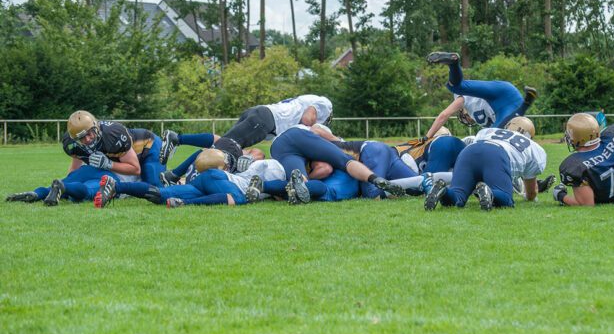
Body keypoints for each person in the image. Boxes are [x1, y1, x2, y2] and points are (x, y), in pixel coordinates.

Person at [6, 110, 162, 205]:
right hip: (109, 172)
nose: (87, 139)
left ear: (96, 127)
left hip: (147, 147)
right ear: (74, 139)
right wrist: (70, 180)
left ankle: (44, 192)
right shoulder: (73, 144)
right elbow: (75, 169)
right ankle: (39, 193)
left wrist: (108, 164)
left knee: (154, 187)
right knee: (86, 189)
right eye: (82, 138)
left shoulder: (113, 135)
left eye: (89, 134)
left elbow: (135, 169)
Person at [159, 94, 333, 165]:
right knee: (224, 148)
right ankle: (175, 159)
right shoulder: (325, 104)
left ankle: (179, 141)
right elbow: (307, 118)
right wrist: (312, 133)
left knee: (222, 144)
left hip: (261, 114)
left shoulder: (301, 102)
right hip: (266, 119)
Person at [96, 148, 286, 208]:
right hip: (220, 179)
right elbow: (259, 156)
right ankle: (185, 204)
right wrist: (251, 158)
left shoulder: (269, 173)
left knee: (160, 195)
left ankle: (117, 186)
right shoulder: (274, 167)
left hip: (208, 180)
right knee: (239, 199)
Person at [269, 124, 405, 204]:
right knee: (344, 162)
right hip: (298, 137)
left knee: (302, 182)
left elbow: (325, 168)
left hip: (277, 147)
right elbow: (326, 167)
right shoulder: (322, 141)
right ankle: (374, 178)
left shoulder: (315, 149)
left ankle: (264, 187)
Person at [424, 124, 547, 211]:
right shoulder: (534, 148)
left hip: (469, 151)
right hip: (496, 155)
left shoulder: (490, 130)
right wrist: (530, 196)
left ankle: (443, 190)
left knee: (457, 195)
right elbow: (531, 193)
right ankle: (490, 193)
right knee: (505, 198)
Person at [424, 51, 537, 138]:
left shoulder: (463, 101)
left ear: (462, 111)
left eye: (464, 116)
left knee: (455, 88)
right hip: (508, 101)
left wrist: (427, 137)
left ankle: (453, 63)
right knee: (496, 134)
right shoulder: (485, 123)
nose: (467, 119)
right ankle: (526, 104)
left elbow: (444, 115)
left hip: (500, 95)